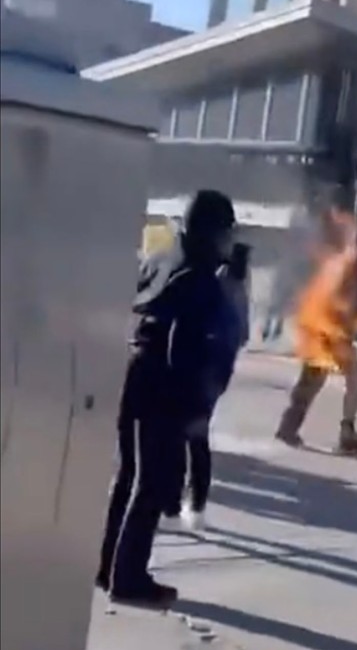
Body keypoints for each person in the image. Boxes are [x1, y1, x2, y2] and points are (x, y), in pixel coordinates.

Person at [96, 190, 237, 607]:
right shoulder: (199, 278)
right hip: (165, 385)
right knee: (153, 484)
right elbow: (187, 345)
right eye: (226, 232)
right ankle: (129, 578)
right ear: (212, 234)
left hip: (136, 372)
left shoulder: (163, 260)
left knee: (128, 479)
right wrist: (192, 405)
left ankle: (108, 568)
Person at [163, 242, 250, 532]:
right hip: (217, 373)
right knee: (197, 437)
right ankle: (195, 507)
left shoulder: (216, 284)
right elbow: (243, 335)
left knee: (181, 436)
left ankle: (173, 507)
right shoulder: (238, 288)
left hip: (201, 370)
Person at [274, 211, 357, 453]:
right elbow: (342, 297)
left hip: (326, 329)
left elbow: (343, 296)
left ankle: (290, 428)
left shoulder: (347, 260)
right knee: (350, 381)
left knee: (316, 381)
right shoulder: (353, 263)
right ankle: (344, 433)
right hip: (330, 331)